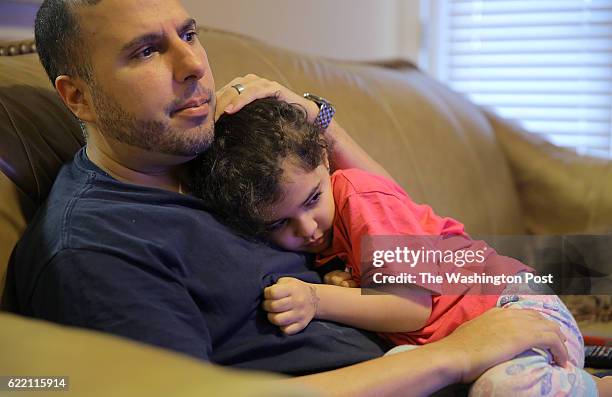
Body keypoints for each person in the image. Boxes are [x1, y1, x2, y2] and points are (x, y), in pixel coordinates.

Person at [6, 0, 597, 396]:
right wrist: (458, 354)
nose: (192, 66)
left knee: (577, 264)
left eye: (188, 34)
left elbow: (404, 227)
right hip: (457, 355)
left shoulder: (207, 154)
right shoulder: (96, 251)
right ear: (76, 97)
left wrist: (322, 125)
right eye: (144, 51)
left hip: (456, 288)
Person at [191, 97, 598, 396]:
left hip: (512, 306)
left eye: (313, 199)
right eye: (280, 223)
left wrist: (317, 298)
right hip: (460, 338)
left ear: (326, 164)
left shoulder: (359, 196)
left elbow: (410, 305)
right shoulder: (322, 228)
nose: (308, 228)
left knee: (502, 390)